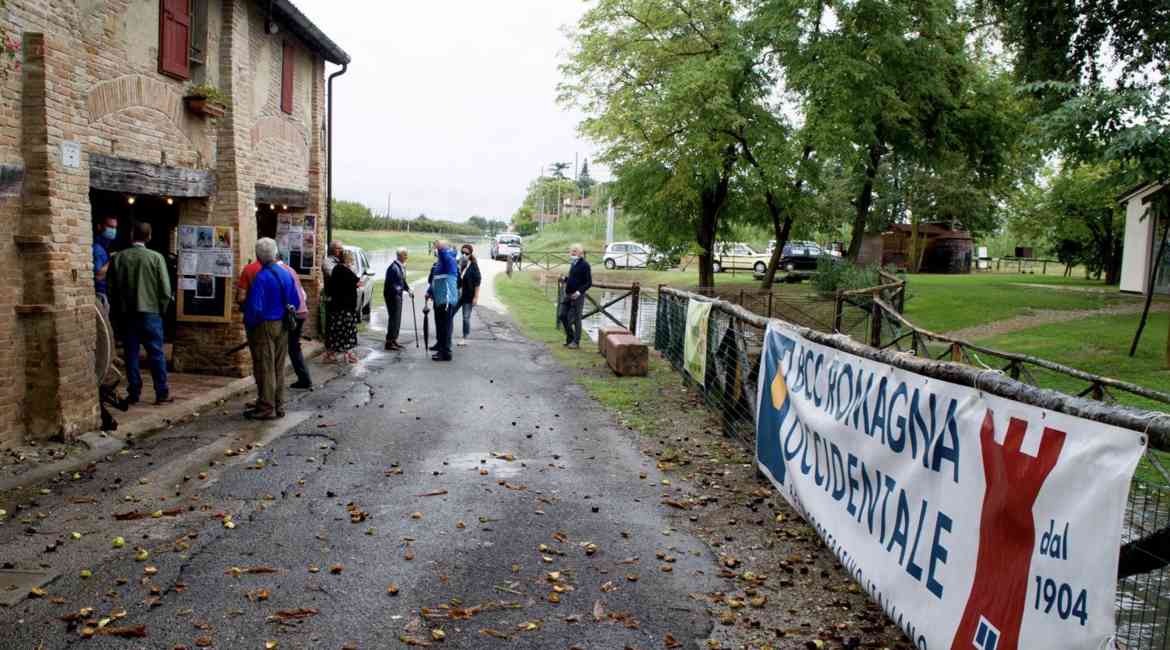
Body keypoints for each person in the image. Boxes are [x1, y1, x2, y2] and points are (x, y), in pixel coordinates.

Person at [107, 222, 173, 405]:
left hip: (127, 314)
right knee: (156, 354)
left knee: (131, 354)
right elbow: (165, 290)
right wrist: (161, 310)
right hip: (151, 312)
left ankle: (134, 392)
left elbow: (111, 289)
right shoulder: (156, 258)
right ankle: (161, 392)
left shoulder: (118, 258)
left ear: (131, 235)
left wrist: (118, 311)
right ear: (149, 236)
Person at [241, 238, 301, 420]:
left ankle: (267, 407)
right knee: (279, 366)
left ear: (258, 256)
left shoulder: (262, 276)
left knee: (266, 367)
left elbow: (255, 307)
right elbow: (296, 301)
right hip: (283, 323)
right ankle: (279, 404)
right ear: (275, 253)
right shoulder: (286, 273)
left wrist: (249, 324)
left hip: (265, 324)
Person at [237, 253, 313, 389]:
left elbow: (250, 302)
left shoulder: (258, 272)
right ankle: (284, 393)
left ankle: (267, 398)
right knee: (289, 350)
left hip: (272, 319)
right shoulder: (289, 270)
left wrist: (250, 320)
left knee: (267, 359)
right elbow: (301, 295)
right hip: (297, 313)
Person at [325, 249, 360, 363]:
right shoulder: (346, 271)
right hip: (346, 307)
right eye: (351, 259)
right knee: (347, 331)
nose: (352, 261)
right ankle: (348, 354)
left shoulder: (336, 269)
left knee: (336, 331)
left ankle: (331, 354)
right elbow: (357, 283)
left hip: (336, 306)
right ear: (348, 259)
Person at [426, 240, 459, 361]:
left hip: (447, 299)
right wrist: (429, 292)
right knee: (440, 325)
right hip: (439, 298)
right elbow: (435, 279)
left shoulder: (449, 260)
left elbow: (443, 253)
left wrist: (440, 246)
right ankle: (440, 345)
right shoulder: (440, 263)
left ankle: (446, 352)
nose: (437, 252)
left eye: (438, 250)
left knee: (445, 326)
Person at [559, 243, 591, 349]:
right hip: (568, 294)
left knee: (576, 319)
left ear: (580, 253)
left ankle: (576, 342)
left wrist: (578, 292)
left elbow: (588, 282)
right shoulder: (573, 263)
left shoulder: (585, 265)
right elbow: (573, 279)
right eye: (571, 251)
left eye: (575, 251)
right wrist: (565, 279)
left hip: (578, 296)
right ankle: (570, 338)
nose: (572, 253)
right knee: (562, 315)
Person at [383, 247, 413, 351]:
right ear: (400, 256)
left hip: (397, 295)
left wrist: (408, 289)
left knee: (397, 318)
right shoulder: (393, 268)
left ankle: (394, 339)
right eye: (405, 255)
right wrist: (399, 291)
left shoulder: (400, 266)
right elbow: (392, 285)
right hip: (392, 296)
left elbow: (402, 281)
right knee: (394, 318)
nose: (407, 257)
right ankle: (389, 342)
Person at [455, 243, 481, 346]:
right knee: (450, 313)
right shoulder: (458, 263)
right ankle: (446, 335)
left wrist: (476, 297)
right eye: (462, 252)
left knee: (466, 317)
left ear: (470, 254)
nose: (464, 255)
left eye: (466, 253)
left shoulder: (473, 265)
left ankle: (464, 338)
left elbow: (478, 281)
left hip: (468, 296)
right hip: (457, 295)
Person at [92, 216, 118, 303]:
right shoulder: (97, 248)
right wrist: (112, 260)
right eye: (110, 227)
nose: (113, 230)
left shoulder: (104, 247)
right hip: (99, 295)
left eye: (115, 227)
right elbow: (98, 276)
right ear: (99, 227)